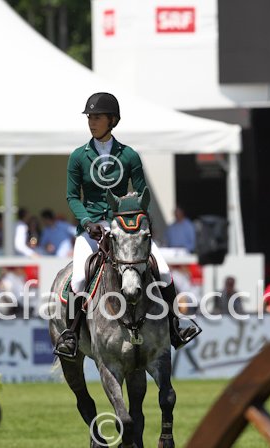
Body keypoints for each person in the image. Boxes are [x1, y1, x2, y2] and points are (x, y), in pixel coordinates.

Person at [55, 91, 198, 358]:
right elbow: (72, 197)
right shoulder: (78, 157)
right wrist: (87, 221)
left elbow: (143, 195)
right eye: (89, 117)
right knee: (79, 278)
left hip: (125, 228)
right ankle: (71, 335)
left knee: (163, 271)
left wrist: (134, 219)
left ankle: (175, 327)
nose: (91, 122)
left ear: (112, 120)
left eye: (97, 117)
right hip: (91, 229)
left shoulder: (129, 156)